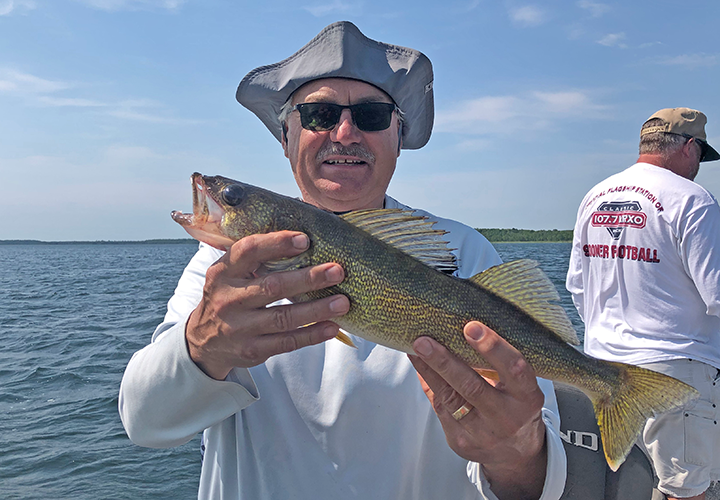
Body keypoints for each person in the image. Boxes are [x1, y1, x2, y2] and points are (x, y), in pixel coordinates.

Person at [119, 21, 567, 500]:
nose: (346, 132)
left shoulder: (463, 251)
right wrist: (201, 347)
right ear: (286, 135)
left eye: (372, 115)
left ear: (399, 134)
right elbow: (146, 422)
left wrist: (517, 452)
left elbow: (539, 476)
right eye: (319, 114)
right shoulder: (221, 267)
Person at [566, 107, 720, 500]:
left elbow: (578, 287)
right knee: (685, 491)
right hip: (675, 376)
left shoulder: (595, 196)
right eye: (701, 156)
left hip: (601, 371)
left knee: (623, 484)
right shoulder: (693, 201)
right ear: (689, 147)